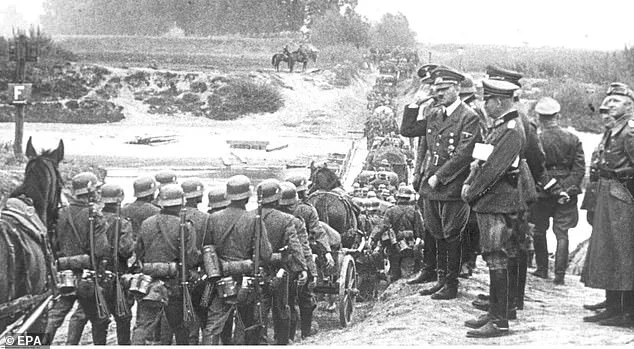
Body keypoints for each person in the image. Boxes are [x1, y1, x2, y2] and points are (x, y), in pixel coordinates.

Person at [400, 67, 482, 300]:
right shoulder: (435, 114)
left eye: (445, 89)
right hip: (432, 183)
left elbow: (464, 154)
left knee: (452, 234)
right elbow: (407, 130)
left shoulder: (469, 117)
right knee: (435, 232)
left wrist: (440, 176)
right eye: (436, 90)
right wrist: (414, 105)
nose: (439, 93)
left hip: (452, 185)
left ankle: (451, 284)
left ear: (457, 88)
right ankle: (439, 278)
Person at [461, 79, 527, 338]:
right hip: (493, 200)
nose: (484, 104)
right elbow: (481, 160)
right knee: (494, 257)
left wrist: (471, 191)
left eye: (487, 99)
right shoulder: (501, 126)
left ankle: (500, 320)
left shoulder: (511, 129)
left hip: (497, 201)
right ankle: (495, 313)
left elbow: (492, 171)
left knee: (497, 257)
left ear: (498, 101)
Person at [483, 65, 546, 315]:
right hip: (516, 185)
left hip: (514, 187)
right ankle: (505, 302)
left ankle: (509, 303)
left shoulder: (518, 122)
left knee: (511, 248)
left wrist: (525, 180)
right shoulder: (511, 119)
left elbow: (536, 157)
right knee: (510, 248)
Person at [582, 82, 634, 327]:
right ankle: (613, 305)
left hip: (622, 198)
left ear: (629, 105)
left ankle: (627, 311)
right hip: (608, 195)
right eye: (608, 100)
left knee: (623, 254)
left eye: (615, 101)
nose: (607, 105)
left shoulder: (630, 131)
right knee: (608, 252)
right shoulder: (615, 128)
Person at [201, 175, 273, 345]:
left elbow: (206, 249)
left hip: (220, 282)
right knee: (249, 323)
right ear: (247, 197)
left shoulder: (213, 218)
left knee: (213, 325)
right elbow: (266, 254)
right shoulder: (254, 219)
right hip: (247, 281)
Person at [45, 172, 111, 344]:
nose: (98, 193)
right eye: (96, 189)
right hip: (87, 278)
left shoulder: (59, 214)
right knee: (100, 320)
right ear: (91, 191)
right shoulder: (95, 215)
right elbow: (101, 250)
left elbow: (51, 245)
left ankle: (34, 346)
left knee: (53, 318)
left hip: (62, 275)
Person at [131, 184, 200, 345]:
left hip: (149, 283)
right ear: (182, 202)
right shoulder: (185, 226)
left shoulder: (147, 223)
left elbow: (138, 252)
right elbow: (190, 258)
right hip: (175, 283)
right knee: (179, 326)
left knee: (142, 326)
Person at [530, 97, 585, 284]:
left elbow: (536, 168)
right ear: (558, 116)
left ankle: (542, 269)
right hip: (567, 193)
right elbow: (579, 169)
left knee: (539, 230)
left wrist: (553, 188)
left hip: (543, 190)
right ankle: (559, 276)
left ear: (539, 117)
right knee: (562, 233)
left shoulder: (536, 138)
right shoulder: (573, 138)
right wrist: (566, 190)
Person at [258, 179, 308, 345]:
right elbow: (295, 246)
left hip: (256, 269)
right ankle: (282, 342)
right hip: (280, 269)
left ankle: (260, 341)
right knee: (282, 307)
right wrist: (302, 268)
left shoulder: (251, 216)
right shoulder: (286, 219)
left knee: (259, 308)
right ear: (277, 198)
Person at [277, 182, 319, 341]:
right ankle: (303, 334)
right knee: (299, 299)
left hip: (268, 268)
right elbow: (303, 248)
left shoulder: (262, 216)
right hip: (293, 268)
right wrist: (310, 271)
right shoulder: (297, 220)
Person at [99, 184, 136, 344]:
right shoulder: (123, 223)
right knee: (123, 317)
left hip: (97, 274)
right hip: (117, 275)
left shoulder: (94, 219)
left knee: (99, 319)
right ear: (119, 199)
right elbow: (125, 251)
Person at [370, 186, 424, 280]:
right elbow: (420, 230)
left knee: (394, 272)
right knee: (407, 273)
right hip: (409, 246)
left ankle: (391, 292)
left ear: (398, 197)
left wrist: (372, 238)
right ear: (408, 198)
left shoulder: (390, 211)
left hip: (394, 247)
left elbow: (382, 226)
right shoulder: (415, 211)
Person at [180, 178, 210, 344]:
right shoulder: (205, 218)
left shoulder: (175, 215)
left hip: (179, 271)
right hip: (199, 271)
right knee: (202, 309)